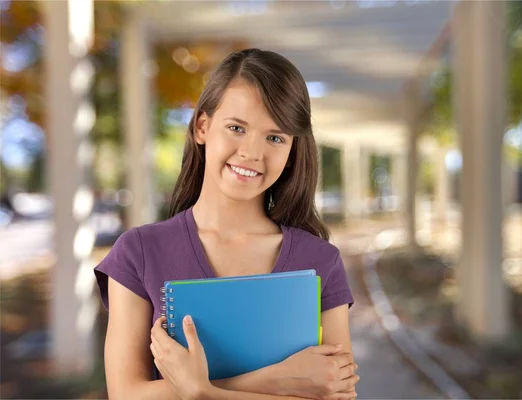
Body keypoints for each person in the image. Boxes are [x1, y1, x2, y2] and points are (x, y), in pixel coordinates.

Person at [94, 48, 359, 400]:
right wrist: (275, 381)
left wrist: (201, 391)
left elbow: (336, 394)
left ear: (293, 149)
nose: (252, 152)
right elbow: (126, 395)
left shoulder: (320, 261)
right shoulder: (139, 252)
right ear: (203, 127)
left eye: (275, 137)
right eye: (236, 128)